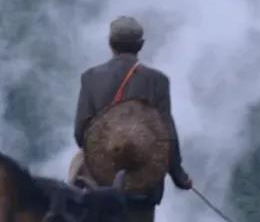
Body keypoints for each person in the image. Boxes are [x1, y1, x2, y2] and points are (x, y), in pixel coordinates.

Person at [72, 15, 193, 194]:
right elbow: (167, 136)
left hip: (100, 187)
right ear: (141, 45)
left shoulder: (91, 78)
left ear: (110, 43)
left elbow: (80, 132)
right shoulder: (158, 81)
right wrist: (179, 177)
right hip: (142, 189)